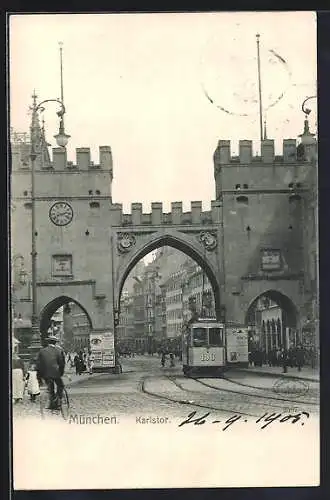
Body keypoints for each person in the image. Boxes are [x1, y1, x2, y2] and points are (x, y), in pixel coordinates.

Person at [36, 334, 66, 410]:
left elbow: (38, 365)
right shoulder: (58, 351)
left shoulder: (42, 351)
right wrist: (61, 373)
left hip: (45, 373)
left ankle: (52, 403)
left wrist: (39, 377)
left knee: (50, 388)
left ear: (48, 342)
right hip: (55, 373)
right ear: (55, 343)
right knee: (61, 385)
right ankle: (57, 398)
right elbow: (62, 363)